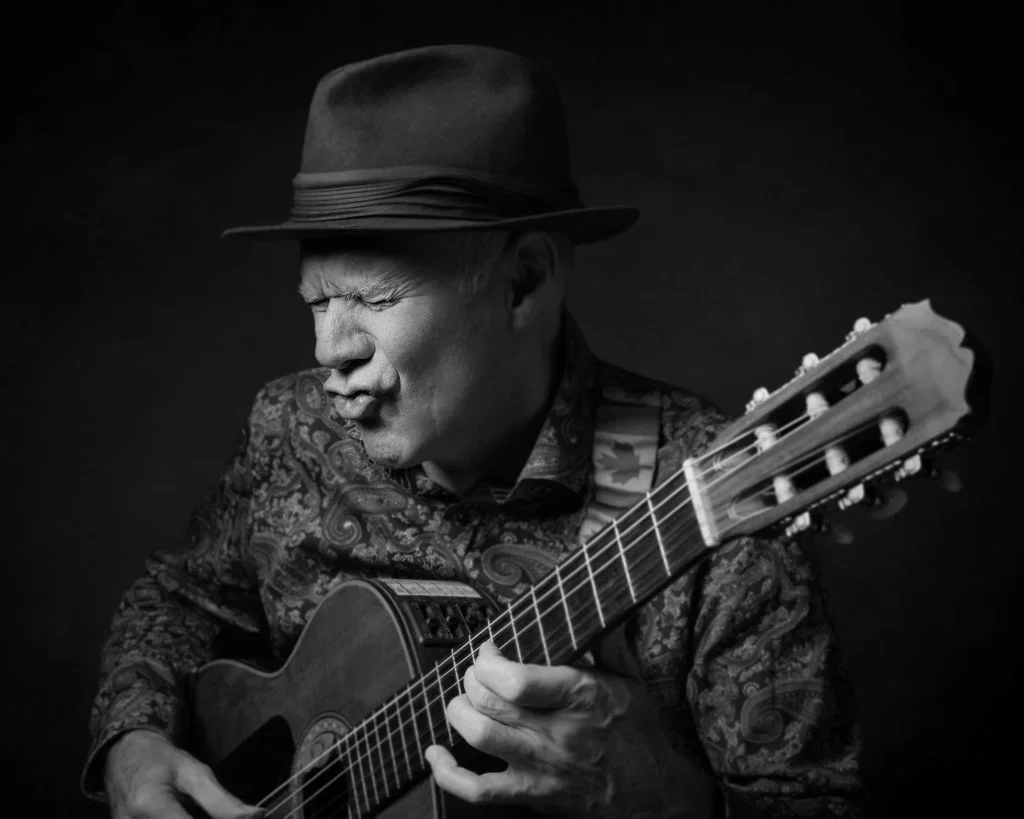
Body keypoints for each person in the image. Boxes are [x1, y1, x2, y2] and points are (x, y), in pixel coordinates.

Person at [83, 45, 873, 817]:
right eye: (317, 302)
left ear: (523, 280)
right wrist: (132, 739)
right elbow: (178, 597)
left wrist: (672, 796)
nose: (329, 352)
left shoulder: (715, 508)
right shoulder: (291, 428)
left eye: (377, 299)